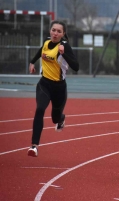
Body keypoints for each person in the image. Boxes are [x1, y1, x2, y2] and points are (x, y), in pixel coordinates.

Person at [27, 20, 79, 157]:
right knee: (39, 109)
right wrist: (32, 62)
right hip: (44, 84)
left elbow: (76, 67)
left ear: (63, 34)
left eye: (59, 31)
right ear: (50, 31)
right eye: (53, 30)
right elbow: (40, 51)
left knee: (55, 118)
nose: (55, 33)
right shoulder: (46, 42)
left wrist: (64, 54)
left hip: (59, 88)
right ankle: (34, 146)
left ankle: (61, 119)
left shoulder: (64, 46)